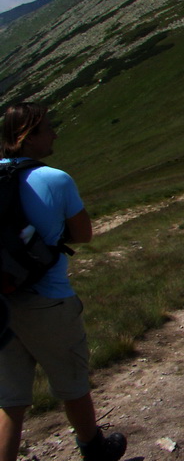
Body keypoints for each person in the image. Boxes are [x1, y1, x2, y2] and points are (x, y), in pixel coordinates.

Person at [0, 103, 127, 461]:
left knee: (11, 401)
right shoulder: (55, 179)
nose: (55, 134)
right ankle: (94, 449)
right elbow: (84, 234)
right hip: (48, 298)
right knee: (71, 385)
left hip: (1, 303)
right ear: (27, 137)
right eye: (48, 129)